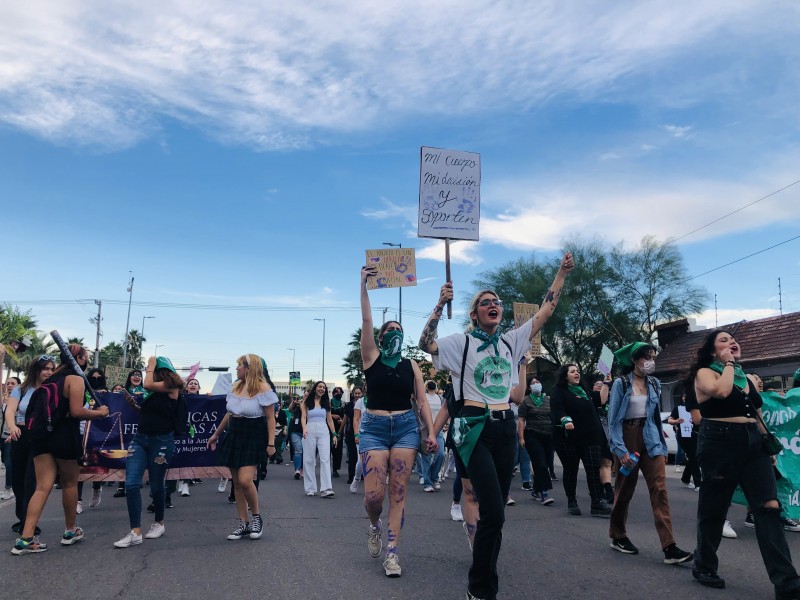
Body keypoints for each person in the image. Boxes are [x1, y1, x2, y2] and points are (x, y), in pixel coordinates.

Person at [419, 252, 573, 600]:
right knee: (492, 510)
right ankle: (481, 587)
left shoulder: (510, 342)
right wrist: (439, 306)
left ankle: (483, 574)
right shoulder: (461, 342)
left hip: (505, 429)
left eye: (496, 302)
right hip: (474, 429)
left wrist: (560, 274)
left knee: (497, 513)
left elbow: (546, 311)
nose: (493, 305)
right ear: (474, 314)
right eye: (485, 302)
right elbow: (425, 344)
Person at [690, 330, 800, 598]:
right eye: (724, 341)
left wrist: (767, 444)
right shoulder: (706, 373)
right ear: (713, 350)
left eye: (733, 340)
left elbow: (757, 414)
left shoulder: (747, 378)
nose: (731, 343)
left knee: (769, 508)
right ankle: (704, 564)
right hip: (719, 442)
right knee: (714, 510)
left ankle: (787, 584)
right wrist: (728, 364)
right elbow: (721, 391)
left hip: (753, 444)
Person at [361, 264, 437, 578]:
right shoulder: (371, 358)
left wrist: (431, 431)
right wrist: (362, 287)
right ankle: (374, 524)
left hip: (405, 428)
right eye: (389, 331)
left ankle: (393, 554)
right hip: (375, 429)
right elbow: (366, 320)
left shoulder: (411, 365)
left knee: (399, 494)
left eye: (398, 331)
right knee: (374, 496)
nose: (394, 333)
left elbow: (421, 401)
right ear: (380, 337)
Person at [12, 345, 109, 555]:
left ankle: (25, 538)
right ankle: (70, 530)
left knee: (41, 487)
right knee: (70, 483)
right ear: (80, 359)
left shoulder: (49, 380)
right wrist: (100, 413)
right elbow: (75, 411)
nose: (88, 360)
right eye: (86, 357)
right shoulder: (75, 379)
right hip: (64, 436)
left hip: (41, 437)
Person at [606, 342, 693, 564]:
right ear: (635, 360)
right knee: (625, 489)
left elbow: (655, 417)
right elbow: (613, 419)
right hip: (627, 436)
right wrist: (620, 449)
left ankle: (669, 546)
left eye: (653, 357)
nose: (650, 361)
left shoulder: (654, 383)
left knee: (660, 490)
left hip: (651, 437)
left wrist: (662, 447)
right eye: (646, 357)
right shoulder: (621, 383)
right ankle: (617, 535)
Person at [114, 356, 185, 548]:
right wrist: (133, 405)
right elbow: (150, 413)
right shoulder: (153, 391)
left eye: (150, 367)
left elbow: (147, 384)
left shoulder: (171, 386)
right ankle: (135, 531)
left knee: (156, 485)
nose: (147, 369)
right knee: (131, 483)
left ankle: (159, 523)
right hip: (140, 439)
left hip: (162, 441)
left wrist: (151, 364)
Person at [207, 354, 276, 541]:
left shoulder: (263, 388)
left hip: (254, 435)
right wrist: (215, 435)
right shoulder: (236, 386)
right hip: (234, 433)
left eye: (239, 366)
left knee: (246, 480)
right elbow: (229, 414)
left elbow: (270, 418)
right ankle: (243, 523)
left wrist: (271, 443)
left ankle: (256, 518)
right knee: (236, 482)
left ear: (249, 368)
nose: (236, 368)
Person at [550, 364, 613, 518]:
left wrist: (606, 383)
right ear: (565, 376)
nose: (576, 373)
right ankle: (572, 501)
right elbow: (558, 410)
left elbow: (601, 400)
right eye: (572, 371)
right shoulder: (559, 392)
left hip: (591, 437)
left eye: (578, 371)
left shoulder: (585, 392)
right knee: (571, 470)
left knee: (593, 469)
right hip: (569, 439)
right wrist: (566, 420)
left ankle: (596, 502)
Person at [4, 361, 52, 532]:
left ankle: (28, 523)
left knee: (30, 480)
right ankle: (22, 517)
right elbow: (10, 411)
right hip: (20, 433)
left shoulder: (51, 390)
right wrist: (13, 427)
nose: (49, 372)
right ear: (36, 370)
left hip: (39, 437)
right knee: (17, 480)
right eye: (45, 368)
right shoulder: (21, 389)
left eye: (51, 369)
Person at [517, 373, 555, 506]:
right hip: (532, 435)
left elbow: (553, 417)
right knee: (540, 463)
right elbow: (521, 420)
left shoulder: (548, 399)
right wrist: (521, 437)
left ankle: (536, 489)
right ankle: (544, 493)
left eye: (537, 382)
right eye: (532, 383)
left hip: (548, 436)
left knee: (546, 463)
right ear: (529, 387)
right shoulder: (525, 400)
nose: (536, 384)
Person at [300, 381, 338, 498]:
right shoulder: (306, 402)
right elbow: (303, 417)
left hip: (323, 430)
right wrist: (304, 429)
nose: (322, 389)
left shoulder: (326, 403)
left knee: (325, 459)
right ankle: (310, 488)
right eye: (320, 387)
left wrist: (334, 434)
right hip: (310, 429)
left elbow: (330, 420)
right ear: (315, 388)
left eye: (324, 388)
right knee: (309, 459)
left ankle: (326, 488)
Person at [114, 369, 146, 499]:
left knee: (136, 454)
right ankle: (121, 486)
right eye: (134, 375)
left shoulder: (146, 391)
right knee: (123, 453)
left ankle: (135, 481)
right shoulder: (122, 391)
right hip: (124, 426)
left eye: (139, 375)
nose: (137, 377)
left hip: (139, 426)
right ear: (129, 377)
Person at [420, 380, 445, 493]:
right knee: (426, 456)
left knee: (441, 454)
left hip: (437, 429)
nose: (432, 384)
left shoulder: (439, 398)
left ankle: (434, 477)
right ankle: (427, 483)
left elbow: (443, 411)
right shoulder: (423, 397)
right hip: (425, 430)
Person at [2, 376, 22, 501]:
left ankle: (9, 489)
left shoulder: (19, 400)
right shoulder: (4, 400)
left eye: (12, 383)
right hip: (2, 434)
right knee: (4, 460)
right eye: (8, 383)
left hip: (12, 435)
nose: (9, 385)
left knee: (9, 462)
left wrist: (12, 432)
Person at [342, 386, 363, 488]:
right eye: (356, 393)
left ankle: (361, 476)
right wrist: (340, 431)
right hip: (351, 433)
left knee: (362, 457)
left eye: (359, 393)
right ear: (353, 394)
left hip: (365, 433)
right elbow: (345, 419)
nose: (357, 395)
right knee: (352, 456)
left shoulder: (367, 403)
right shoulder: (349, 406)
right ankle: (352, 477)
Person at [330, 386, 345, 478]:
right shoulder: (328, 402)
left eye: (340, 392)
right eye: (336, 392)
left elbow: (347, 416)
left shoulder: (343, 404)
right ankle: (326, 468)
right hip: (329, 428)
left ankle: (335, 469)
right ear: (333, 393)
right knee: (328, 449)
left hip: (340, 428)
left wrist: (342, 421)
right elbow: (325, 414)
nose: (338, 394)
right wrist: (332, 416)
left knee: (338, 450)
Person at [288, 394, 304, 480]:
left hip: (305, 430)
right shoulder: (297, 405)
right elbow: (290, 409)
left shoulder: (309, 404)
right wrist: (294, 403)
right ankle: (297, 470)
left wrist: (301, 405)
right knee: (298, 449)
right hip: (295, 430)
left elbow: (305, 412)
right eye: (303, 396)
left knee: (304, 451)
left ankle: (302, 468)